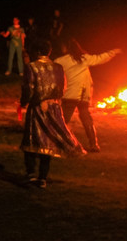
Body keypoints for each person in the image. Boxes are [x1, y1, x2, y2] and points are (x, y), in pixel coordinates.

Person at [19, 39, 86, 188]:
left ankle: (31, 174)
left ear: (36, 52)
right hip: (54, 107)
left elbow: (29, 89)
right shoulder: (58, 67)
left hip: (37, 108)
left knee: (31, 140)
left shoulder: (31, 67)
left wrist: (24, 102)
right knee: (48, 140)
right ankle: (42, 177)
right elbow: (62, 88)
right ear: (49, 52)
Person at [54, 38, 122, 152]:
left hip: (71, 94)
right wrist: (112, 53)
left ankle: (55, 142)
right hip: (84, 95)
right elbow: (100, 58)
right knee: (86, 120)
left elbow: (52, 70)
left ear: (66, 48)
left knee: (63, 119)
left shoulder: (61, 60)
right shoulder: (84, 58)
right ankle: (93, 144)